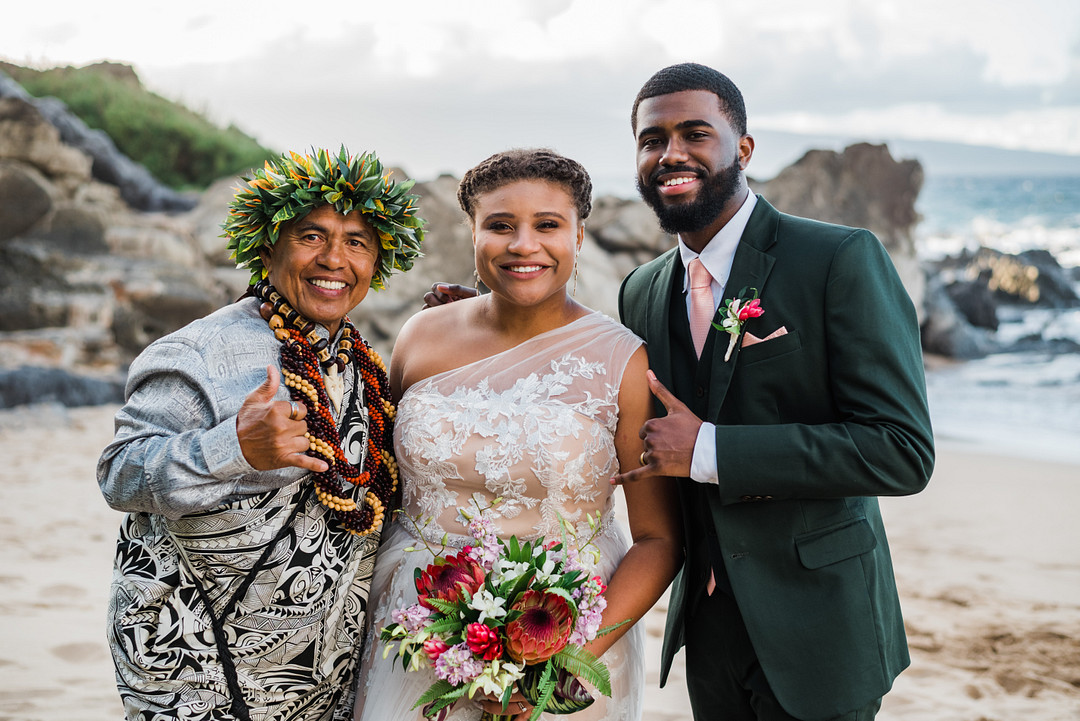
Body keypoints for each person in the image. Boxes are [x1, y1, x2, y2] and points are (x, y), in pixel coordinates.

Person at [428, 64, 935, 721]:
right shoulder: (642, 288)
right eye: (651, 139)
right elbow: (597, 376)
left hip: (820, 626)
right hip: (710, 629)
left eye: (696, 133)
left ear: (743, 148)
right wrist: (480, 316)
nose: (671, 152)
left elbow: (901, 450)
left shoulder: (837, 260)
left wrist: (710, 450)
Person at [353, 148, 682, 721]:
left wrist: (566, 662)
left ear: (580, 236)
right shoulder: (421, 335)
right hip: (409, 625)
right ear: (473, 234)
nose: (523, 244)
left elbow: (659, 539)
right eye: (499, 225)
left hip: (569, 629)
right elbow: (380, 481)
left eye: (547, 225)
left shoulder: (623, 361)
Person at [98, 147, 425, 721]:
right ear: (268, 244)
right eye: (311, 236)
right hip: (196, 670)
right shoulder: (199, 352)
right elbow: (120, 473)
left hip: (322, 675)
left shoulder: (360, 361)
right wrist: (236, 450)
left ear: (379, 261)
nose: (334, 259)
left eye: (357, 242)